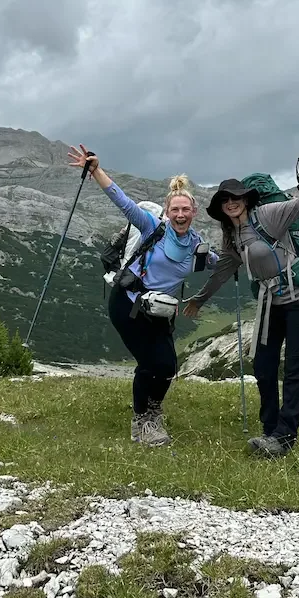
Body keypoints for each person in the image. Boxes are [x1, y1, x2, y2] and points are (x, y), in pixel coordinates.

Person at [184, 148, 299, 458]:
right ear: (221, 207)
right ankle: (270, 429)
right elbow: (222, 271)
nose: (230, 203)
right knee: (263, 367)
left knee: (295, 367)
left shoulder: (269, 215)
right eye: (224, 200)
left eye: (235, 198)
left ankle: (284, 436)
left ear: (246, 199)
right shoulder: (232, 236)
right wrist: (199, 301)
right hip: (269, 304)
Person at [68, 144, 218, 447]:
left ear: (194, 212)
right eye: (175, 210)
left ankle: (152, 412)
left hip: (160, 311)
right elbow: (123, 202)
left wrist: (240, 258)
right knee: (151, 364)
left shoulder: (195, 243)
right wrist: (96, 170)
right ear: (167, 211)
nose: (180, 215)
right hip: (128, 304)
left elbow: (216, 262)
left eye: (185, 210)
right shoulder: (153, 227)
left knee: (168, 367)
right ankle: (142, 422)